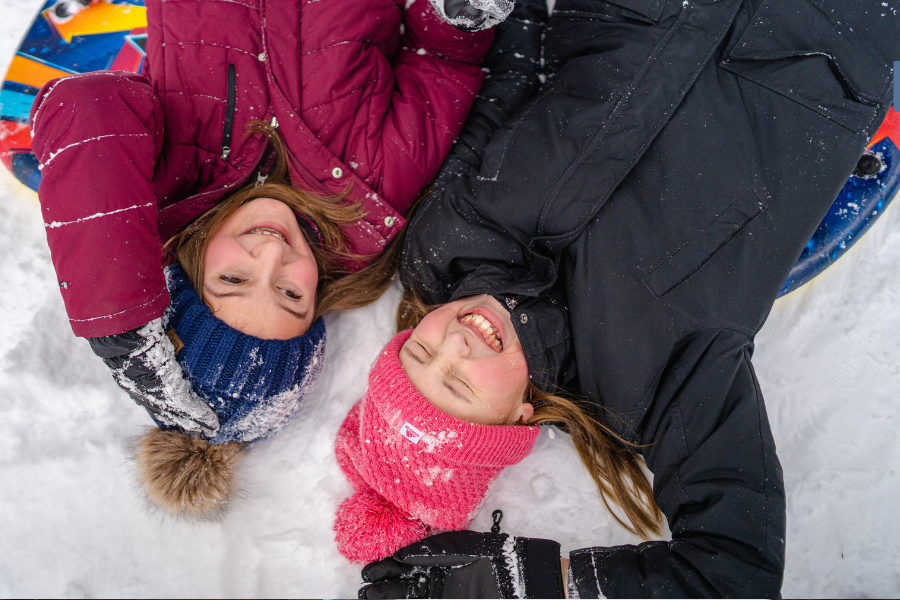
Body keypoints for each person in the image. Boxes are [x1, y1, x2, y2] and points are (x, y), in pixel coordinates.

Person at [356, 0, 900, 597]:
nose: (453, 344)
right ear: (520, 419)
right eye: (458, 384)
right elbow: (732, 575)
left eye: (420, 354)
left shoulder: (444, 244)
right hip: (805, 47)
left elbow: (509, 90)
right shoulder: (650, 384)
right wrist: (538, 585)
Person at [29, 0, 509, 514]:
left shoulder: (166, 182)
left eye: (233, 278)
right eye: (289, 293)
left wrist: (118, 314)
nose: (272, 255)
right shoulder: (369, 201)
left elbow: (84, 104)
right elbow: (438, 60)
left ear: (189, 270)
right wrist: (458, 17)